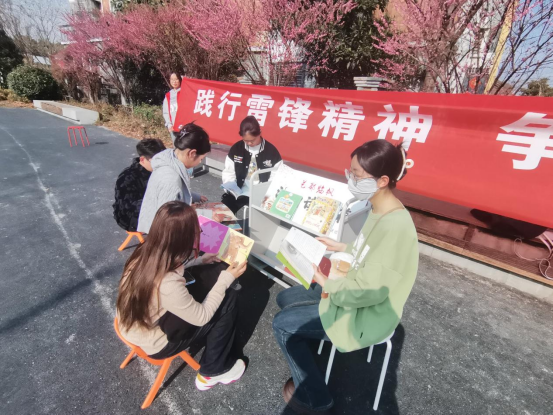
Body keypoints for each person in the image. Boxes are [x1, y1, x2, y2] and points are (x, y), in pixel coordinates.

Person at [272, 140, 419, 414]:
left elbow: (370, 291)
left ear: (382, 180)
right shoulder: (380, 207)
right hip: (350, 288)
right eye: (350, 173)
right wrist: (340, 246)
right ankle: (311, 355)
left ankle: (315, 397)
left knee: (282, 325)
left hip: (366, 313)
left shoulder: (396, 227)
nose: (351, 180)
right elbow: (368, 253)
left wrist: (325, 282)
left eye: (357, 176)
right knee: (285, 298)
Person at [117, 201, 248, 390]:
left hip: (130, 325)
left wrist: (199, 260)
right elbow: (202, 317)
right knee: (228, 299)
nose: (199, 232)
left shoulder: (143, 252)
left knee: (206, 282)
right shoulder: (167, 282)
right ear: (183, 239)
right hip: (156, 342)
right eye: (197, 230)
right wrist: (226, 278)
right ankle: (213, 370)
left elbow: (167, 268)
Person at [137, 123, 209, 234]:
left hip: (157, 229)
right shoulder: (170, 178)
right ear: (192, 153)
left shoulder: (170, 160)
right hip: (164, 235)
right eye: (201, 159)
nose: (200, 162)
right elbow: (167, 221)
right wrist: (194, 214)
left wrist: (194, 198)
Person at [221, 115, 282, 214]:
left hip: (260, 192)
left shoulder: (271, 151)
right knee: (222, 212)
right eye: (246, 140)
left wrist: (267, 194)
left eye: (252, 140)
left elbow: (276, 177)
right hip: (240, 189)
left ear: (259, 134)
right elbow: (228, 172)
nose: (249, 143)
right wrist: (231, 187)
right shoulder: (236, 148)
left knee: (260, 216)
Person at [112, 138, 166, 232]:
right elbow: (126, 206)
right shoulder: (127, 177)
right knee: (173, 220)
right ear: (142, 159)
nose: (160, 164)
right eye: (156, 161)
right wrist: (160, 202)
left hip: (152, 208)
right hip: (130, 217)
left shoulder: (156, 170)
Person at [162, 73, 181, 143]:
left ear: (180, 80)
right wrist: (169, 125)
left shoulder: (185, 92)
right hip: (173, 127)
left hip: (185, 127)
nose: (174, 81)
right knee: (176, 146)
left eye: (176, 79)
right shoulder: (168, 95)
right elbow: (166, 112)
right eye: (172, 79)